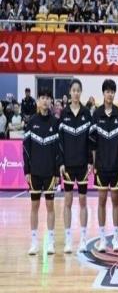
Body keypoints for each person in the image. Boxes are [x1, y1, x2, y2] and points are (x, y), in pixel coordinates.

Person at [89, 79, 118, 253]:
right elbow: (92, 143)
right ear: (103, 93)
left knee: (116, 201)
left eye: (112, 91)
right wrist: (94, 163)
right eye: (107, 91)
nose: (110, 94)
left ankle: (116, 239)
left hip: (116, 165)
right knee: (102, 201)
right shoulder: (96, 115)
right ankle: (103, 239)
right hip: (102, 166)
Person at [23, 88, 60, 255]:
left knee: (50, 206)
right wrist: (27, 170)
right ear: (38, 100)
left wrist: (57, 173)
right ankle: (33, 242)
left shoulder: (55, 123)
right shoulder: (31, 122)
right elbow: (26, 148)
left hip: (50, 172)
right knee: (34, 206)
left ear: (51, 101)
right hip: (35, 172)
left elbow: (59, 150)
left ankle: (50, 241)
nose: (45, 100)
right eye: (42, 97)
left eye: (47, 98)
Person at [59, 79, 93, 253]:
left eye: (78, 90)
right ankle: (68, 240)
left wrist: (90, 162)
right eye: (73, 90)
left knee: (82, 201)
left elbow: (91, 140)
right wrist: (61, 162)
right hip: (68, 165)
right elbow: (60, 141)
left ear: (81, 92)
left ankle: (83, 239)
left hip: (82, 165)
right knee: (67, 201)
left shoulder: (87, 113)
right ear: (69, 92)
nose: (76, 93)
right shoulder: (63, 114)